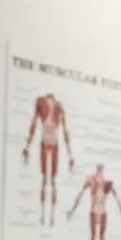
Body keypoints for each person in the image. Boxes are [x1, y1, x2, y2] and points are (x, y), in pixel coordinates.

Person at [22, 93, 74, 227]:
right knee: (46, 180)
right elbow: (33, 124)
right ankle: (43, 216)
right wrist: (27, 146)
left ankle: (50, 217)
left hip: (53, 144)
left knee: (51, 181)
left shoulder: (59, 108)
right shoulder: (41, 104)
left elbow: (65, 131)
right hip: (45, 144)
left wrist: (70, 155)